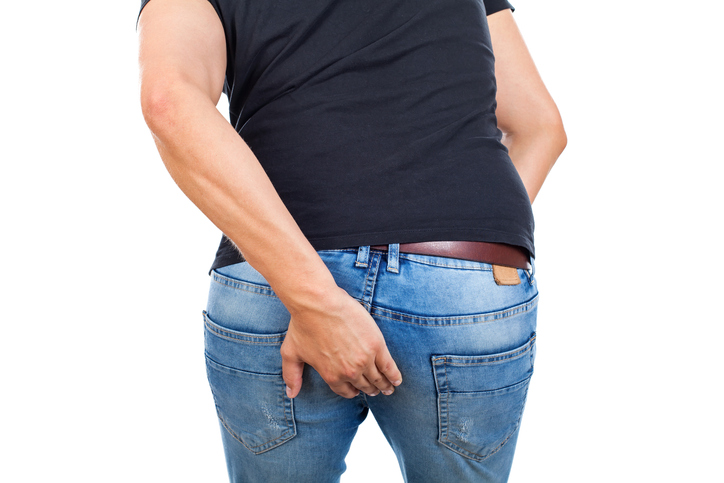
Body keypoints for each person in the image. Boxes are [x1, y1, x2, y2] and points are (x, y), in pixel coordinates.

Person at [138, 0, 566, 481]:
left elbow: (169, 100)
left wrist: (313, 299)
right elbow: (539, 126)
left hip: (276, 278)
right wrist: (463, 245)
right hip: (465, 285)